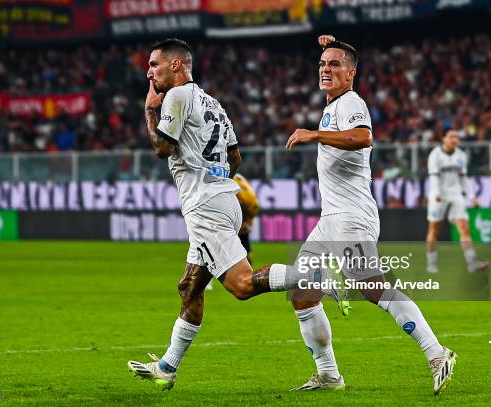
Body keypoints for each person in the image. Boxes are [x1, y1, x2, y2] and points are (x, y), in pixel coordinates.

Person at [128, 38, 341, 390]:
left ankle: (313, 277)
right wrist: (213, 175)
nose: (149, 71)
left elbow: (162, 147)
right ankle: (168, 366)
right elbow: (235, 158)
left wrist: (150, 110)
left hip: (205, 206)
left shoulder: (177, 97)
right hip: (225, 197)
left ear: (177, 65)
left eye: (155, 64)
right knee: (190, 288)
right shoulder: (212, 103)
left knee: (241, 286)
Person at [283, 35, 456, 395]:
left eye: (334, 64)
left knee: (373, 289)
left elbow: (363, 137)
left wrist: (314, 135)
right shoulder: (334, 105)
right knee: (301, 290)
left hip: (351, 216)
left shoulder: (351, 102)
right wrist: (336, 43)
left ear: (352, 73)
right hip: (331, 218)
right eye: (322, 64)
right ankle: (328, 374)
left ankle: (437, 354)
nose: (325, 69)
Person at [426, 130, 489, 273]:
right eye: (451, 137)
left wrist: (471, 196)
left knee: (464, 227)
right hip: (439, 194)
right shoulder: (435, 155)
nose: (454, 139)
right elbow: (434, 176)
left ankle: (472, 262)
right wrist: (436, 193)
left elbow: (463, 178)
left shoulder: (461, 156)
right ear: (444, 139)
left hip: (456, 194)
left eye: (456, 137)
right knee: (434, 229)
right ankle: (431, 263)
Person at [205, 173, 259, 290]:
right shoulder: (238, 196)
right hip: (224, 214)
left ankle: (249, 275)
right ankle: (208, 279)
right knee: (213, 248)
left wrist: (246, 225)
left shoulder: (249, 202)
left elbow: (250, 214)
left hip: (234, 211)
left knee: (243, 248)